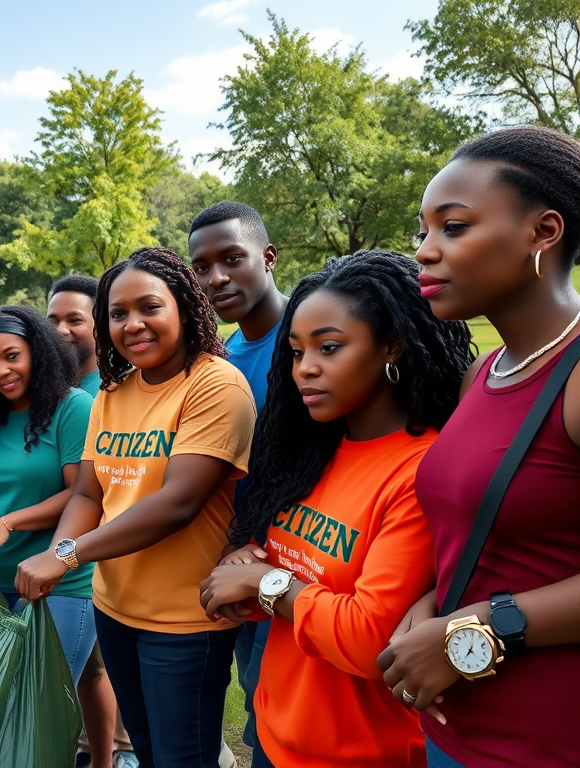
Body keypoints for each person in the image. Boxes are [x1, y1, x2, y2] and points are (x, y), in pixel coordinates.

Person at [199, 252, 473, 768]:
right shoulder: (310, 453)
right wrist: (252, 574)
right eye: (297, 352)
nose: (305, 369)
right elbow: (307, 573)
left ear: (391, 346)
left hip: (365, 751)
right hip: (276, 736)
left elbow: (370, 638)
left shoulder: (423, 471)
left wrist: (265, 584)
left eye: (329, 348)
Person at [378, 126, 580, 768]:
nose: (425, 253)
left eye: (454, 228)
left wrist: (477, 628)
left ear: (542, 233)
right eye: (422, 232)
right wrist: (435, 601)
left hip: (548, 739)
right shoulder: (482, 373)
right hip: (454, 727)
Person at [17, 247, 257, 768]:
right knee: (147, 754)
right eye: (118, 314)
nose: (133, 325)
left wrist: (66, 556)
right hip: (114, 608)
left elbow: (177, 502)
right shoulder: (113, 392)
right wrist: (66, 551)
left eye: (150, 307)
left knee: (181, 759)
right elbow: (88, 493)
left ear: (186, 309)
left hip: (185, 620)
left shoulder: (215, 384)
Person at [0, 304, 97, 689]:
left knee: (42, 709)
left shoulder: (73, 407)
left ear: (38, 351)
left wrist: (7, 523)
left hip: (59, 581)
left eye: (12, 356)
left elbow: (81, 493)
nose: (1, 372)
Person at [189, 201, 288, 762]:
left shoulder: (312, 339)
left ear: (268, 258)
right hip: (231, 562)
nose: (216, 277)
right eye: (201, 266)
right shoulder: (218, 357)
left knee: (280, 717)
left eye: (232, 259)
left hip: (294, 565)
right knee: (254, 711)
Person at [47, 275, 131, 768]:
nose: (61, 330)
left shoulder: (110, 392)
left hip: (104, 559)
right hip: (73, 552)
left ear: (99, 326)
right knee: (92, 669)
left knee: (98, 669)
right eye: (52, 319)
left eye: (75, 319)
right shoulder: (56, 391)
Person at [48, 275, 101, 397]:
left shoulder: (116, 391)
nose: (60, 330)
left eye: (74, 320)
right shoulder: (44, 390)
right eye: (53, 322)